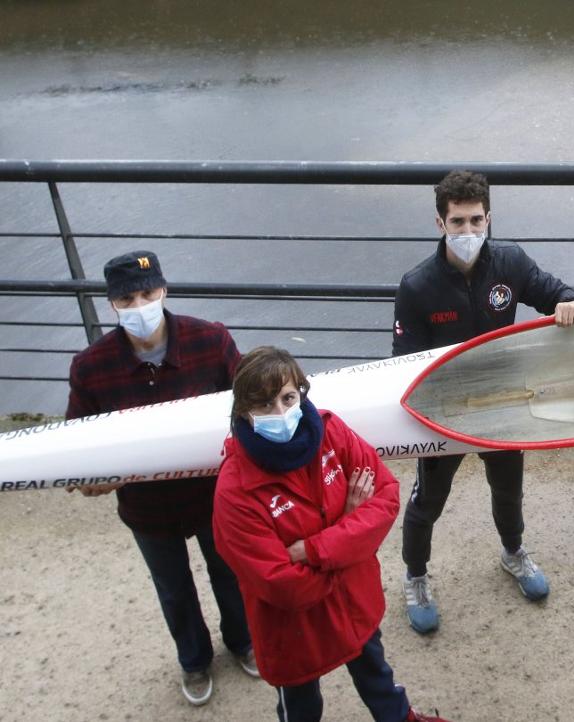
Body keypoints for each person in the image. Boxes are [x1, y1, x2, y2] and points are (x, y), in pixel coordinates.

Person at [393, 170, 574, 634]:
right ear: (440, 224)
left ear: (489, 219)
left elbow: (555, 290)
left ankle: (513, 553)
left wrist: (569, 303)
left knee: (508, 487)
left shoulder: (510, 263)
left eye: (476, 221)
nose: (468, 232)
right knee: (427, 501)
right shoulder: (416, 286)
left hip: (503, 401)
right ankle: (416, 577)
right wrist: (424, 421)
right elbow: (403, 365)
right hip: (446, 410)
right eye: (457, 223)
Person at [212, 347, 448, 722]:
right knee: (302, 707)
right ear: (243, 412)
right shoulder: (235, 490)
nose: (280, 414)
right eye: (264, 405)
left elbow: (386, 496)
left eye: (288, 398)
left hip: (353, 602)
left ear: (301, 392)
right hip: (294, 629)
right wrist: (350, 534)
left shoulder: (331, 430)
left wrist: (316, 548)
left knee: (378, 678)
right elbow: (282, 586)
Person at [65, 250, 256, 706]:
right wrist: (91, 477)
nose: (139, 306)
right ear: (112, 304)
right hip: (146, 507)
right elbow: (76, 440)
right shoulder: (90, 367)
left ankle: (244, 640)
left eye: (147, 293)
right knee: (173, 590)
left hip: (215, 495)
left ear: (164, 290)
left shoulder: (211, 341)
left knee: (231, 572)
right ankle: (194, 661)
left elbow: (251, 400)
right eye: (126, 299)